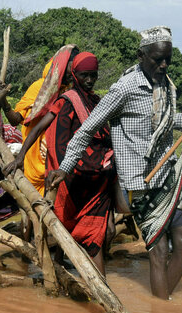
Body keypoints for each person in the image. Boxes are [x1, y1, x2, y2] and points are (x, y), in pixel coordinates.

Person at [47, 26, 182, 300]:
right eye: (158, 59)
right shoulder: (124, 88)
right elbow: (87, 129)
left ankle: (163, 309)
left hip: (166, 178)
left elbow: (166, 122)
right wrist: (65, 168)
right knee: (158, 252)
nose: (163, 65)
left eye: (167, 59)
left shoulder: (165, 86)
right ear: (141, 55)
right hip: (139, 184)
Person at [39, 52, 115, 275]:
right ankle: (72, 270)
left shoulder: (97, 101)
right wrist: (20, 155)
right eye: (85, 75)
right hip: (73, 174)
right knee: (72, 226)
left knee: (97, 233)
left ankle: (94, 283)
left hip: (98, 176)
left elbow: (106, 133)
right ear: (74, 74)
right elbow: (46, 128)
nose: (90, 80)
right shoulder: (67, 101)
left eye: (94, 75)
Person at [0, 45, 77, 195]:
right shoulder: (39, 88)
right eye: (71, 66)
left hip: (58, 158)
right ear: (62, 64)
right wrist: (3, 98)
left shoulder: (70, 90)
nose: (73, 72)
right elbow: (15, 119)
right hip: (34, 156)